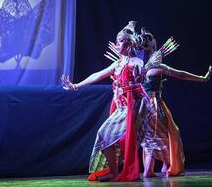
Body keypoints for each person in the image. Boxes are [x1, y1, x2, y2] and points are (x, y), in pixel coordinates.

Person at [62, 21, 154, 182]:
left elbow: (140, 74)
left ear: (128, 43)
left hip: (131, 108)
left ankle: (118, 171)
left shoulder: (135, 62)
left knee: (104, 134)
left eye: (119, 41)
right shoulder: (118, 63)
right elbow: (97, 75)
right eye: (117, 41)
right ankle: (114, 172)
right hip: (120, 109)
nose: (116, 44)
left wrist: (139, 75)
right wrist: (75, 86)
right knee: (105, 137)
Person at [133, 28, 212, 177]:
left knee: (153, 137)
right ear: (150, 45)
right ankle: (160, 167)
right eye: (151, 41)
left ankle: (153, 169)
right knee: (167, 134)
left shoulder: (141, 67)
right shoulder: (156, 67)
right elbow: (181, 74)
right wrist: (202, 78)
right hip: (152, 105)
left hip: (144, 105)